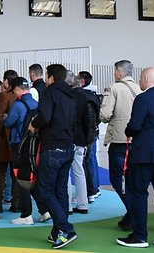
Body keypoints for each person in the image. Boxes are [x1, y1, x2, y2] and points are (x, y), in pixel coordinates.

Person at [117, 67, 154, 248]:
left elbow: (135, 126)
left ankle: (140, 236)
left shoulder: (142, 99)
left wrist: (128, 131)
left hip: (144, 155)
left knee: (139, 194)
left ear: (144, 79)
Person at [31, 64, 78, 249]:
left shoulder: (49, 93)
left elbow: (45, 116)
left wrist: (34, 124)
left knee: (44, 190)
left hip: (52, 147)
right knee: (60, 191)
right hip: (68, 147)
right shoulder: (72, 95)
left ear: (50, 78)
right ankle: (58, 230)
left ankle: (66, 229)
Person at [100, 59, 141, 231]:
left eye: (115, 70)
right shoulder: (139, 89)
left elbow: (104, 114)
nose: (114, 74)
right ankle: (133, 214)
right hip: (137, 140)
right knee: (132, 180)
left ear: (120, 71)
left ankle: (133, 214)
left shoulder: (114, 88)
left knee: (117, 179)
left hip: (119, 139)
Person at [3, 77, 38, 225]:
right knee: (34, 178)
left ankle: (26, 214)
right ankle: (44, 210)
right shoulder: (36, 103)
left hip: (19, 144)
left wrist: (5, 118)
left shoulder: (18, 105)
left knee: (21, 178)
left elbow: (8, 123)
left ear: (17, 88)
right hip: (34, 144)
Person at [71, 74, 99, 215]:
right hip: (83, 139)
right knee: (79, 170)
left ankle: (67, 205)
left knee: (66, 173)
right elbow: (92, 120)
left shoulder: (70, 97)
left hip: (70, 138)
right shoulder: (89, 97)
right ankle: (83, 203)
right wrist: (89, 140)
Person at [0, 70, 19, 213]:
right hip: (17, 139)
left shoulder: (4, 96)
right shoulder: (20, 96)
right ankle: (16, 203)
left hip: (5, 139)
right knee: (15, 173)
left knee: (1, 172)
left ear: (6, 81)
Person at [78, 70, 101, 202]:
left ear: (82, 81)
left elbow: (90, 119)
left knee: (87, 162)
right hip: (93, 133)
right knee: (92, 160)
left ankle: (91, 190)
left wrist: (88, 138)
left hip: (88, 135)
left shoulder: (85, 97)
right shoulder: (93, 95)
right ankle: (94, 188)